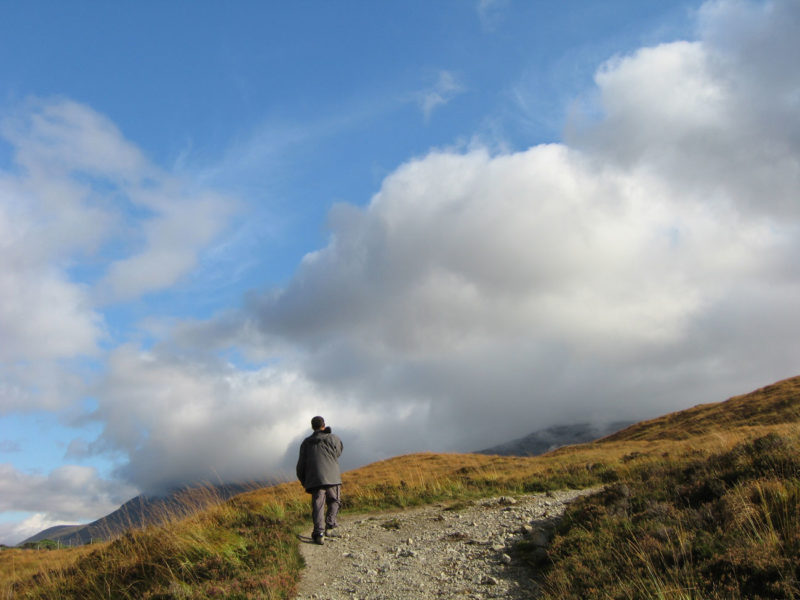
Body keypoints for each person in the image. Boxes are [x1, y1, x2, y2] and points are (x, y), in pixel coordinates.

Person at [296, 415, 343, 545]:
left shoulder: (305, 443)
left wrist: (304, 481)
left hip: (314, 479)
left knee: (318, 505)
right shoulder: (333, 438)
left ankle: (319, 533)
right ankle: (331, 526)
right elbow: (338, 452)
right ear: (323, 425)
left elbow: (300, 465)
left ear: (312, 427)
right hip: (332, 477)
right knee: (334, 501)